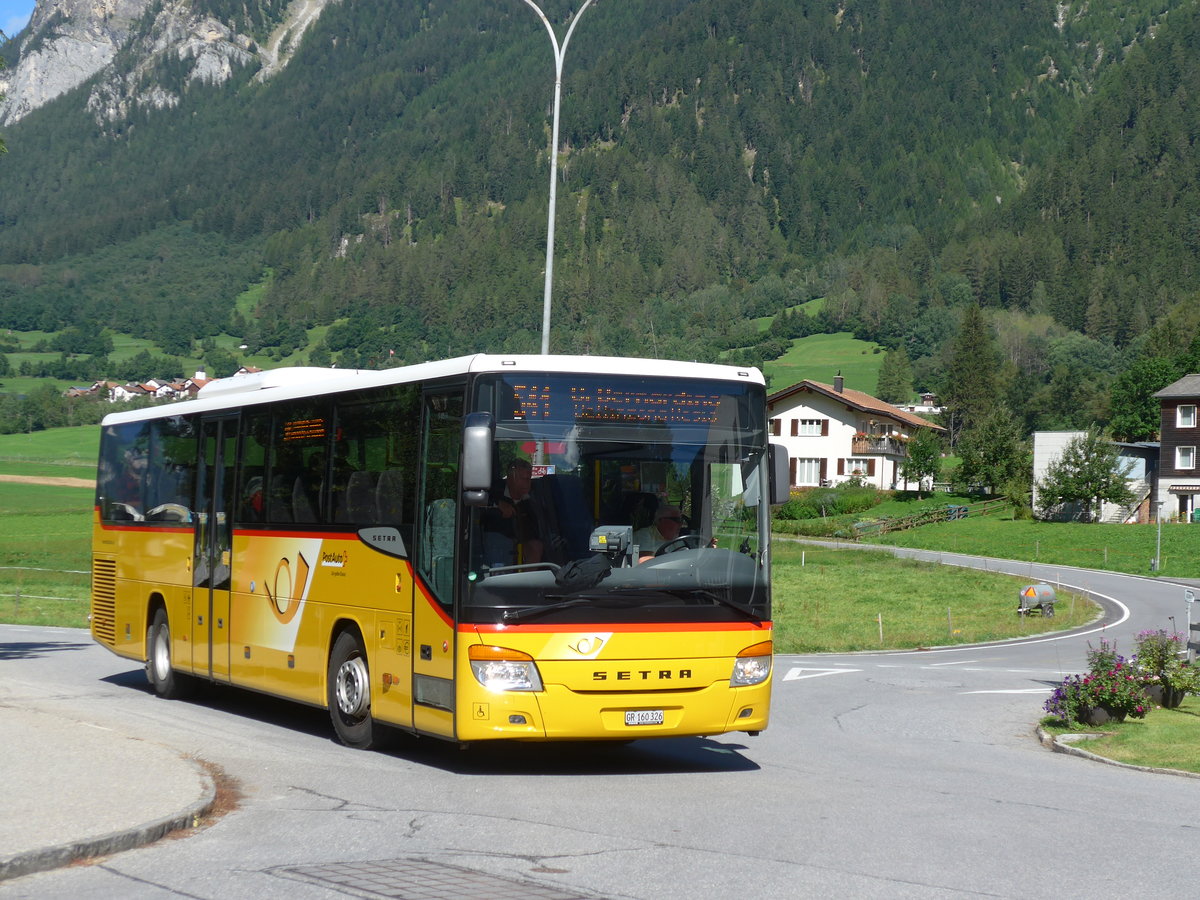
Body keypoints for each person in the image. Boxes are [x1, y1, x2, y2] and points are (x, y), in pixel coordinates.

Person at [482, 459, 545, 566]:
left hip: (524, 542)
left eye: (529, 479)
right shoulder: (493, 490)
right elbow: (477, 501)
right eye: (523, 479)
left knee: (536, 546)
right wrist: (497, 503)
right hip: (496, 544)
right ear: (510, 478)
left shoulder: (536, 496)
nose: (527, 483)